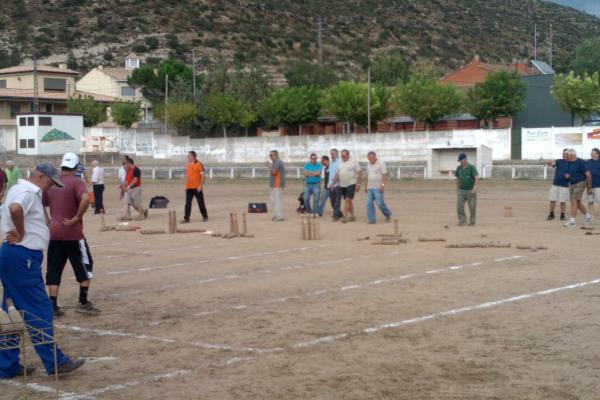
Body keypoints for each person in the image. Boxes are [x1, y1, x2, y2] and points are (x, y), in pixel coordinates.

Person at [0, 162, 85, 378]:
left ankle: (7, 364)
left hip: (16, 256)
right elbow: (15, 209)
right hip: (22, 256)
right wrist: (20, 232)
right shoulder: (27, 191)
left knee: (12, 311)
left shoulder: (19, 189)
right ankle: (55, 362)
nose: (50, 187)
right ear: (39, 176)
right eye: (50, 182)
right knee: (39, 309)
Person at [44, 153, 100, 317]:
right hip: (73, 234)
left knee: (54, 269)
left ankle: (53, 305)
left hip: (54, 233)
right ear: (76, 167)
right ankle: (82, 302)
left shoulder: (53, 183)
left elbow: (41, 203)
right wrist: (76, 217)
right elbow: (85, 198)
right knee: (85, 265)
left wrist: (49, 221)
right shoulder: (77, 182)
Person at [563, 149, 592, 228]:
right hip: (572, 184)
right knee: (577, 202)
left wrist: (589, 188)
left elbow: (588, 175)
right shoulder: (569, 163)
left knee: (573, 201)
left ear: (571, 155)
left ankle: (572, 222)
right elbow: (572, 172)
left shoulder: (581, 162)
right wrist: (568, 175)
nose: (565, 157)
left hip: (580, 183)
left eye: (567, 155)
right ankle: (588, 216)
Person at [334, 149, 362, 223]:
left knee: (347, 200)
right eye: (341, 156)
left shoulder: (353, 162)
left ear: (348, 155)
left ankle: (344, 216)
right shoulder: (340, 163)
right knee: (349, 201)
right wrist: (333, 183)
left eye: (343, 155)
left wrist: (358, 184)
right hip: (342, 184)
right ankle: (352, 216)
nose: (342, 157)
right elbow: (337, 174)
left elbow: (359, 173)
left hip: (351, 184)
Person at [364, 151, 392, 224]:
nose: (370, 160)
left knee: (380, 203)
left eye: (371, 158)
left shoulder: (381, 163)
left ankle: (387, 214)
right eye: (369, 159)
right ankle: (372, 220)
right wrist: (365, 185)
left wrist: (382, 185)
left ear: (375, 157)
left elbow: (384, 175)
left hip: (378, 187)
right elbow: (368, 175)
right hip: (370, 187)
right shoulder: (368, 165)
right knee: (368, 203)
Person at [182, 151, 208, 223]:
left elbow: (203, 176)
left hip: (197, 188)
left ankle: (205, 216)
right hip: (189, 188)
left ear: (193, 156)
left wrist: (200, 185)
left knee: (200, 203)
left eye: (189, 155)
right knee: (187, 203)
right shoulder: (188, 165)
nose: (187, 157)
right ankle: (186, 218)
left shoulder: (199, 164)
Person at [545, 149, 569, 221]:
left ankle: (562, 215)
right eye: (563, 153)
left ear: (569, 155)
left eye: (565, 153)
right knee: (552, 199)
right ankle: (551, 214)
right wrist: (549, 162)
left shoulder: (571, 163)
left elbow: (573, 172)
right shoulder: (559, 161)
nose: (563, 155)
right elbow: (553, 164)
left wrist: (570, 175)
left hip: (564, 185)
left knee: (563, 201)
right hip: (555, 184)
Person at [455, 153, 479, 226]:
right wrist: (457, 188)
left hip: (470, 191)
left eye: (461, 161)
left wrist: (475, 187)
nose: (460, 162)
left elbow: (476, 177)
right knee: (459, 206)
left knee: (472, 207)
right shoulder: (458, 168)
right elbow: (457, 178)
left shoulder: (472, 167)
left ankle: (472, 222)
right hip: (461, 190)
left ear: (465, 159)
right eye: (460, 161)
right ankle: (462, 221)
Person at [267, 150, 285, 221]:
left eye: (272, 155)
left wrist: (269, 166)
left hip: (278, 184)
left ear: (276, 155)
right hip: (274, 184)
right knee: (273, 200)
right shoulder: (275, 162)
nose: (270, 156)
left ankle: (280, 216)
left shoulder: (278, 162)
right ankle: (276, 215)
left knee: (277, 201)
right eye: (270, 155)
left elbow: (274, 172)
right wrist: (271, 166)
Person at [328, 149, 343, 221]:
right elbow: (330, 173)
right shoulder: (332, 162)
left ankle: (336, 215)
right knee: (332, 200)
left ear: (337, 154)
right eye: (331, 154)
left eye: (333, 154)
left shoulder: (340, 162)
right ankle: (339, 213)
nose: (332, 155)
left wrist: (333, 184)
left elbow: (338, 174)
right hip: (330, 184)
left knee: (337, 200)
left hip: (337, 184)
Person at [587, 148, 600, 217]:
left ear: (598, 155)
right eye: (591, 153)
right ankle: (591, 216)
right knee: (590, 201)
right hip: (589, 186)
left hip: (598, 186)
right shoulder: (588, 162)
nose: (592, 155)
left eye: (594, 154)